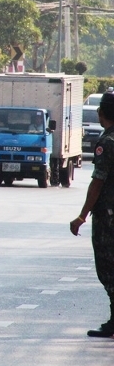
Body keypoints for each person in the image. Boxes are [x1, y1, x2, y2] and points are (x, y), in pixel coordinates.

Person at [70, 91, 114, 338]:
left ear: (102, 113)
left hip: (108, 216)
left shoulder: (107, 143)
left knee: (108, 267)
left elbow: (98, 182)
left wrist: (82, 216)